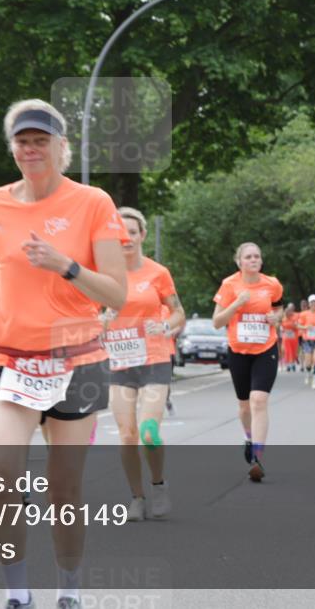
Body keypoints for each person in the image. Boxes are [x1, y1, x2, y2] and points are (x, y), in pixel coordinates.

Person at [0, 99, 127, 609]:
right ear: (12, 147)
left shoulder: (94, 202)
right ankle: (17, 594)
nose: (30, 149)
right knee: (1, 477)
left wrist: (66, 265)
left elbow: (117, 294)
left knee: (64, 490)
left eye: (40, 140)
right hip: (9, 359)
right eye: (21, 141)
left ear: (60, 146)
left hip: (77, 361)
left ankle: (69, 591)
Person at [104, 206, 184, 521]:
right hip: (120, 362)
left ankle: (159, 484)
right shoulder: (103, 275)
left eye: (132, 233)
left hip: (154, 358)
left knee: (149, 431)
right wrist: (103, 320)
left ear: (142, 236)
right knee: (127, 434)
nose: (126, 239)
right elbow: (88, 319)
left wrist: (165, 326)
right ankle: (136, 497)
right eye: (119, 234)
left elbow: (179, 312)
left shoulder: (158, 273)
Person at [212, 242, 284, 483]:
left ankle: (257, 457)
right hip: (239, 351)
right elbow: (217, 322)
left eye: (257, 257)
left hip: (266, 348)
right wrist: (237, 304)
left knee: (259, 400)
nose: (253, 260)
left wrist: (277, 317)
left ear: (261, 261)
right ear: (239, 262)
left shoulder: (272, 284)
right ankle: (249, 436)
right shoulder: (230, 285)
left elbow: (279, 308)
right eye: (248, 257)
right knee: (244, 406)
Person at [280, 303, 299, 372]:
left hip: (294, 337)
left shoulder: (294, 318)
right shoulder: (283, 319)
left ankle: (293, 364)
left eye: (289, 312)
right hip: (286, 338)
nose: (288, 313)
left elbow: (297, 326)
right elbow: (281, 328)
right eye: (286, 312)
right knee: (287, 351)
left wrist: (294, 326)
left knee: (293, 350)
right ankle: (288, 365)